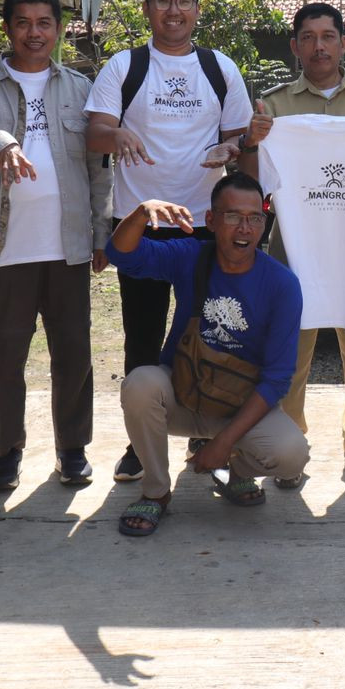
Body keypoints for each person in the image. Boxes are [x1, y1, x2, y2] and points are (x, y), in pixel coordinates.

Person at [84, 0, 253, 483]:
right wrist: (117, 138)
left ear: (197, 9)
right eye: (163, 1)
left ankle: (208, 437)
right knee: (142, 336)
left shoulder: (220, 68)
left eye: (183, 1)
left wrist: (232, 148)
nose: (174, 11)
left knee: (212, 333)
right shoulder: (124, 66)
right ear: (147, 9)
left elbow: (242, 137)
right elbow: (95, 132)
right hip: (143, 225)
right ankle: (142, 445)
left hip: (207, 228)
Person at [0, 0, 113, 491]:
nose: (34, 33)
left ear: (57, 29)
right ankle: (5, 452)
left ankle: (73, 449)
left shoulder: (81, 88)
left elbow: (98, 166)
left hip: (68, 248)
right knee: (6, 356)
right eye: (23, 23)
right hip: (6, 246)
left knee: (74, 353)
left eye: (44, 23)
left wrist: (101, 232)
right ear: (8, 28)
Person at [237, 2, 345, 486]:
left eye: (328, 36)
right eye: (309, 37)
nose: (319, 46)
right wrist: (252, 143)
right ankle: (289, 449)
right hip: (294, 256)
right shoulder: (273, 106)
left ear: (343, 43)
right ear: (295, 46)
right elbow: (253, 187)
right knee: (289, 361)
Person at [106, 174, 309, 537]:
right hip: (184, 395)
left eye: (255, 218)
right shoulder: (191, 256)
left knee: (291, 453)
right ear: (211, 221)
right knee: (140, 383)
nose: (245, 228)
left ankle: (238, 474)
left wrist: (223, 444)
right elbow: (121, 254)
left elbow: (277, 379)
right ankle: (156, 493)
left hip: (238, 405)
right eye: (232, 217)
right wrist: (140, 214)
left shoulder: (282, 284)